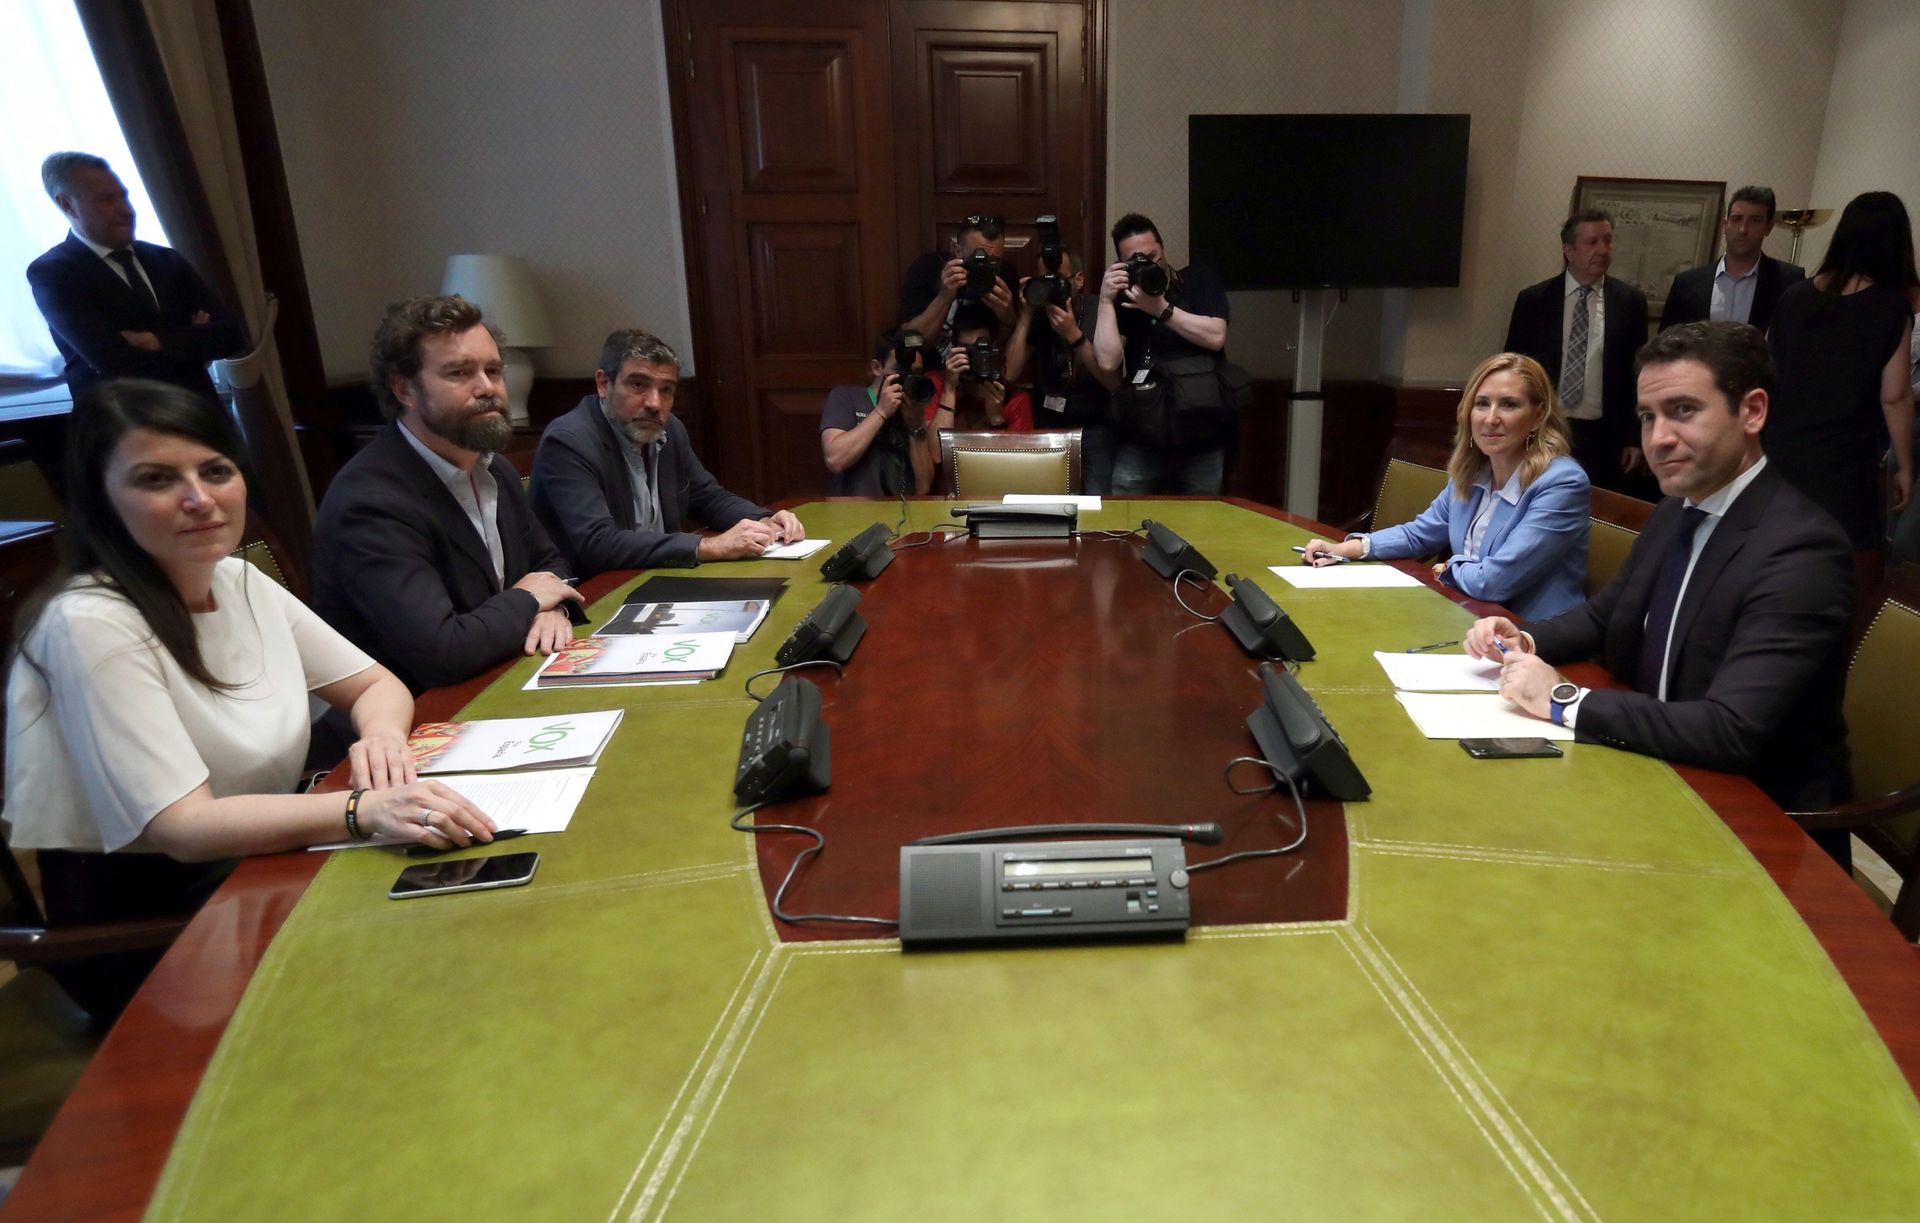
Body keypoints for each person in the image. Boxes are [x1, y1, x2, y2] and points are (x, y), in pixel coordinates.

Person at [3, 379, 499, 1020]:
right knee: (431, 977)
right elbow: (183, 828)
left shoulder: (237, 577)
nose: (199, 498)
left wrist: (379, 738)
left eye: (215, 471)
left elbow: (378, 685)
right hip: (160, 925)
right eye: (157, 479)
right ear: (101, 499)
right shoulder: (90, 622)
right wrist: (362, 809)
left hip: (268, 859)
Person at [1466, 322, 1853, 837]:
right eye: (1648, 417)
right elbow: (1606, 615)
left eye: (1684, 410)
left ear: (1752, 411)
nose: (1659, 439)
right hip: (1648, 768)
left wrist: (1564, 699)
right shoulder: (1677, 510)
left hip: (1751, 819)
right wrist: (1525, 640)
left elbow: (1729, 730)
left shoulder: (1802, 549)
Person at [312, 296, 583, 694]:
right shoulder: (369, 501)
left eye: (493, 370)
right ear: (405, 389)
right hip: (415, 712)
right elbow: (442, 652)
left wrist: (552, 608)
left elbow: (550, 564)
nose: (487, 387)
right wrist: (529, 600)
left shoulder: (496, 469)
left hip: (502, 673)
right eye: (459, 372)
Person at [1300, 353, 1589, 621]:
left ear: (1538, 416)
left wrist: (1449, 567)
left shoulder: (1561, 483)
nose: (1491, 418)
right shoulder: (1473, 472)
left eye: (1509, 404)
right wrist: (1344, 548)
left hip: (1531, 637)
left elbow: (1494, 582)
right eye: (1482, 403)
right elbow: (1418, 535)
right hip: (1466, 617)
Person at [533, 328, 803, 575]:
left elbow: (708, 498)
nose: (654, 403)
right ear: (604, 384)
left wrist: (764, 519)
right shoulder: (570, 441)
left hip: (654, 577)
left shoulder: (669, 429)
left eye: (666, 390)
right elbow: (598, 543)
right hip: (589, 591)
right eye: (638, 385)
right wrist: (709, 547)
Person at [1764, 190, 1916, 554]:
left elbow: (1764, 368)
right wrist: (1906, 467)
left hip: (1778, 450)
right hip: (1842, 462)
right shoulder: (1891, 308)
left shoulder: (1793, 296)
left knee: (1769, 551)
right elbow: (1895, 396)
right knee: (1829, 561)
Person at [27, 152, 244, 404]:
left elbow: (232, 336)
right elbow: (114, 362)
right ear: (67, 205)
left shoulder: (166, 259)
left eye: (124, 196)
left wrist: (158, 340)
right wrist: (194, 343)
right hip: (123, 419)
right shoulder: (54, 273)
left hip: (198, 412)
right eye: (107, 200)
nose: (126, 210)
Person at [1504, 209, 1651, 494]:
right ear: (1569, 250)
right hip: (1546, 429)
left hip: (1605, 436)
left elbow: (1638, 377)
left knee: (1598, 509)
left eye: (1607, 241)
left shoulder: (1630, 302)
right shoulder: (1534, 300)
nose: (1603, 250)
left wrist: (1635, 438)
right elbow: (1514, 371)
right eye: (1592, 242)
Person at [1091, 212, 1233, 494]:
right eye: (1136, 260)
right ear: (1122, 264)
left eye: (1153, 256)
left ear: (1163, 248)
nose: (1149, 264)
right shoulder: (1124, 298)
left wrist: (1160, 309)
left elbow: (1216, 336)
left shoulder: (1198, 280)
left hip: (1201, 435)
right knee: (1126, 512)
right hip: (1143, 437)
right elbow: (1107, 361)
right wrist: (1106, 300)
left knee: (1204, 517)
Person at [1006, 245, 1119, 492]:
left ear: (1078, 280)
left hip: (1095, 425)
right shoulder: (1039, 314)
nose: (1050, 287)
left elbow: (1113, 382)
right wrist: (1025, 315)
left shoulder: (1100, 311)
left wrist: (1073, 336)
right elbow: (1010, 373)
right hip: (1049, 424)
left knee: (1099, 503)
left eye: (1056, 279)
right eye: (1043, 280)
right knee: (1048, 502)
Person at [1660, 186, 1806, 332]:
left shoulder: (1790, 281)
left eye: (1755, 221)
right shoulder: (1686, 284)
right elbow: (1666, 341)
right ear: (1725, 225)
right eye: (1736, 219)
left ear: (1768, 227)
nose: (1743, 229)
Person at [820, 328, 942, 497]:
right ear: (877, 367)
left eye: (916, 373)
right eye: (901, 370)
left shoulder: (912, 410)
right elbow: (835, 459)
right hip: (852, 510)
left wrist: (915, 427)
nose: (908, 378)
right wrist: (881, 411)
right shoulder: (846, 397)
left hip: (900, 511)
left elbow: (923, 488)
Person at [896, 213, 1017, 345]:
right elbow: (910, 343)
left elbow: (1004, 346)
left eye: (993, 261)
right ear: (957, 251)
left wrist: (1008, 318)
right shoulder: (928, 268)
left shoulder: (1005, 274)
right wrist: (944, 297)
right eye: (977, 259)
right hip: (931, 357)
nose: (984, 267)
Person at [937, 305, 1033, 432]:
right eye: (967, 349)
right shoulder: (937, 385)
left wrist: (996, 418)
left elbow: (1018, 446)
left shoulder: (1016, 400)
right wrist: (949, 389)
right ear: (954, 347)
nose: (973, 357)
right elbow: (935, 444)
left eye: (980, 349)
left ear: (994, 349)